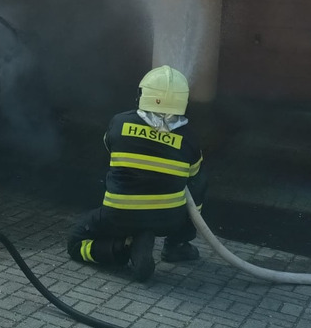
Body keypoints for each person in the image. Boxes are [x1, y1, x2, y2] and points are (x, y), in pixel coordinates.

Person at [66, 65, 207, 282]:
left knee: (76, 242)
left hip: (120, 215)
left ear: (143, 94)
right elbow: (194, 175)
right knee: (199, 183)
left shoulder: (119, 122)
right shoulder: (190, 138)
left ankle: (122, 248)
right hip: (168, 220)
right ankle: (176, 245)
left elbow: (109, 149)